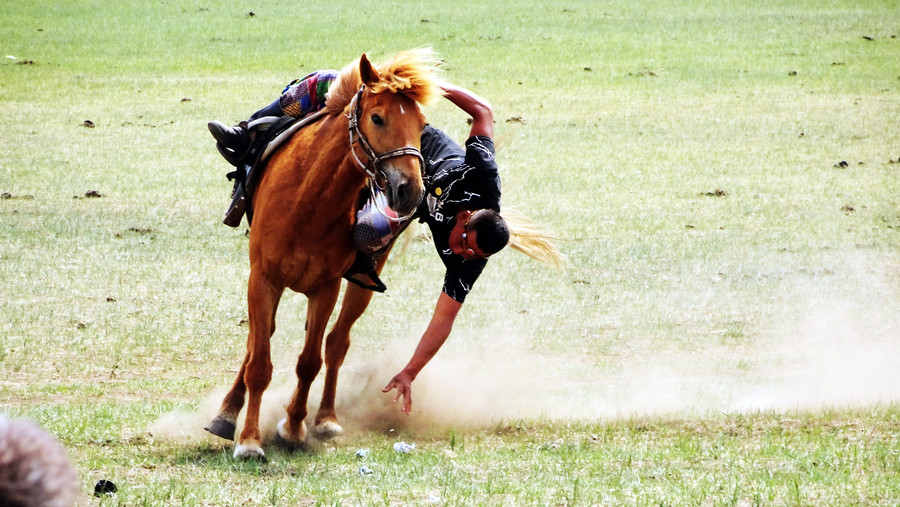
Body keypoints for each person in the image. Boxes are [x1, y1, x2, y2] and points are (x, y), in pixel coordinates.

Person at [208, 63, 509, 414]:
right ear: (465, 218)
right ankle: (246, 138)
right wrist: (432, 85)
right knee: (320, 83)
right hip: (407, 145)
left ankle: (356, 262)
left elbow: (443, 321)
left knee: (371, 231)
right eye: (464, 243)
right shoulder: (482, 177)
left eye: (471, 255)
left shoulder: (466, 263)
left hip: (404, 193)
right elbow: (483, 111)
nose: (462, 253)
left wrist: (410, 372)